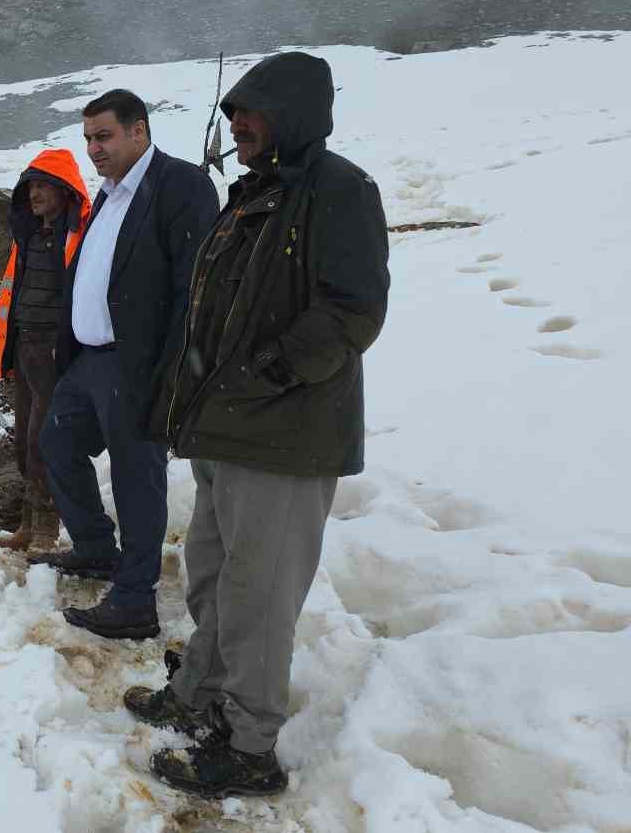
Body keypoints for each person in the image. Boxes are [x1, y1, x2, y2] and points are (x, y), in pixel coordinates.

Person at [129, 52, 390, 797]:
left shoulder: (339, 190)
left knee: (259, 595)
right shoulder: (253, 196)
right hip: (225, 428)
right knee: (210, 574)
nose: (236, 125)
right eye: (232, 112)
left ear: (293, 113)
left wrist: (264, 375)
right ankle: (201, 694)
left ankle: (250, 747)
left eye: (251, 111)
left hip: (283, 433)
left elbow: (353, 310)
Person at [30, 89, 219, 640]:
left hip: (136, 365)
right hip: (89, 362)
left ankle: (136, 598)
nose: (93, 149)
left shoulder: (179, 186)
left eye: (104, 136)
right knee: (57, 444)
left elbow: (194, 287)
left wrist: (172, 370)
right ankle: (94, 548)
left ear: (139, 131)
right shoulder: (108, 196)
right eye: (88, 138)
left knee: (138, 479)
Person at [0, 149, 92, 551]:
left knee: (44, 438)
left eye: (44, 185)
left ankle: (46, 528)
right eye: (31, 187)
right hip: (24, 348)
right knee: (24, 440)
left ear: (65, 189)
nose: (36, 194)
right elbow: (10, 291)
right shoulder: (27, 238)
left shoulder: (81, 235)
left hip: (57, 353)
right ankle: (28, 524)